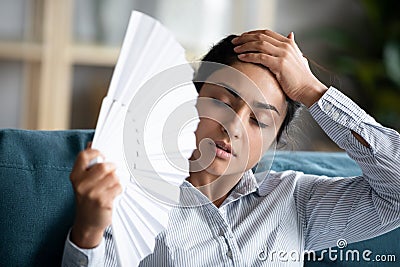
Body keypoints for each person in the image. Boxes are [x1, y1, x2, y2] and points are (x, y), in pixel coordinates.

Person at [62, 30, 400, 266]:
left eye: (259, 121)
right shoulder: (130, 195)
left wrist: (312, 91)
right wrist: (89, 230)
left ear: (274, 140)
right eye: (223, 102)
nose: (234, 126)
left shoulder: (295, 201)